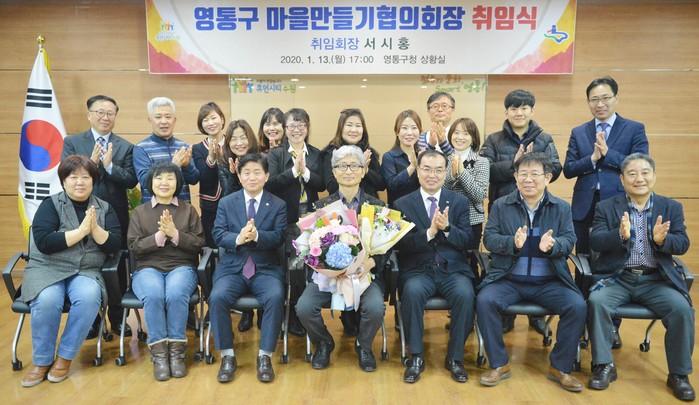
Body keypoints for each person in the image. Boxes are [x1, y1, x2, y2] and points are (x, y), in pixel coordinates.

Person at [587, 153, 694, 401]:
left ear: (654, 176)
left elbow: (682, 243)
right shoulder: (606, 207)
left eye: (645, 172)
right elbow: (595, 241)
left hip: (656, 280)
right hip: (618, 278)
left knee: (682, 309)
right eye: (632, 174)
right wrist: (619, 235)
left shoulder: (671, 207)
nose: (639, 179)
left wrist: (662, 241)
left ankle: (679, 374)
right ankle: (603, 365)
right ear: (622, 179)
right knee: (596, 301)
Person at [477, 153, 586, 393]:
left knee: (577, 305)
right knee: (485, 300)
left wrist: (553, 245)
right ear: (515, 177)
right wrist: (512, 243)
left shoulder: (561, 207)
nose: (528, 179)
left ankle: (561, 367)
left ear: (547, 178)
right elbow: (489, 238)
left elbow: (570, 239)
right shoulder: (501, 205)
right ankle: (499, 364)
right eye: (523, 174)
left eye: (535, 174)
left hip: (549, 282)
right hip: (508, 279)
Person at [19, 155, 121, 387]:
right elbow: (45, 242)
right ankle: (42, 361)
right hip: (48, 268)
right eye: (73, 177)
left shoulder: (104, 208)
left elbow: (114, 244)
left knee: (89, 297)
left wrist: (94, 229)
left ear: (93, 181)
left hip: (86, 270)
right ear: (64, 181)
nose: (79, 182)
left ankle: (65, 357)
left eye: (85, 177)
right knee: (47, 300)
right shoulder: (50, 204)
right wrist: (81, 231)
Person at [296, 145, 387, 372]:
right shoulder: (321, 207)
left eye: (354, 166)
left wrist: (371, 263)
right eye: (342, 166)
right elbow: (310, 247)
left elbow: (387, 248)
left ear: (363, 171)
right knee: (304, 307)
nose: (348, 171)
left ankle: (364, 345)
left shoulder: (377, 207)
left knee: (375, 307)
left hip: (364, 276)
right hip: (328, 278)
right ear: (334, 172)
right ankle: (324, 343)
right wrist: (324, 266)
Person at [480, 89, 562, 335]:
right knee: (508, 255)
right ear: (506, 112)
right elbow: (485, 170)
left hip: (537, 207)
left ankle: (537, 315)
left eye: (524, 107)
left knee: (536, 254)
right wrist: (514, 164)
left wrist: (534, 165)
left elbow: (556, 168)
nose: (519, 112)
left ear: (532, 111)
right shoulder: (493, 140)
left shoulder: (544, 138)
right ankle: (506, 314)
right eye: (514, 108)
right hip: (504, 207)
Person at [394, 150, 476, 384]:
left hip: (453, 270)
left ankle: (455, 358)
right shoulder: (402, 204)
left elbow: (468, 241)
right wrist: (429, 233)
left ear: (445, 172)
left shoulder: (459, 201)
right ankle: (416, 357)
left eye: (439, 170)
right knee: (412, 292)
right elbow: (401, 244)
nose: (432, 175)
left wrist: (448, 228)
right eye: (427, 169)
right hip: (418, 270)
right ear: (418, 171)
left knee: (465, 294)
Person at [61, 94, 136, 338]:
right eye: (100, 112)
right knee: (85, 264)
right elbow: (65, 174)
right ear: (89, 115)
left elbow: (131, 180)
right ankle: (91, 321)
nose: (105, 117)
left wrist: (110, 166)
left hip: (114, 216)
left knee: (117, 268)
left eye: (110, 113)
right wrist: (90, 165)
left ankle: (119, 318)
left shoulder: (125, 146)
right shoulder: (72, 142)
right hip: (79, 214)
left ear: (115, 116)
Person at [209, 153, 287, 384]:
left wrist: (258, 236)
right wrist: (239, 238)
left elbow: (280, 236)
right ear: (239, 176)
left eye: (257, 172)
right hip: (232, 267)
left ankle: (265, 356)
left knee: (275, 296)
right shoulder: (226, 202)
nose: (252, 177)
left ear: (266, 176)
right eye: (246, 173)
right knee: (217, 297)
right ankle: (227, 356)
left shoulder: (278, 204)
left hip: (265, 268)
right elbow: (218, 234)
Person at [127, 163, 205, 381]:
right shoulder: (140, 212)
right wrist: (159, 237)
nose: (164, 183)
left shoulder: (188, 210)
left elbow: (199, 243)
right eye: (159, 178)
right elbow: (133, 246)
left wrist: (175, 234)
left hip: (181, 266)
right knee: (153, 295)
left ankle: (177, 353)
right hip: (147, 268)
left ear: (177, 183)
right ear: (151, 183)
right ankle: (160, 355)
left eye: (170, 178)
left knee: (175, 293)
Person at [564, 76, 649, 255]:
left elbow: (640, 165)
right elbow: (569, 169)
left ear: (616, 98)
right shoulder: (579, 132)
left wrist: (608, 153)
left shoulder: (634, 129)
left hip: (619, 202)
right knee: (583, 256)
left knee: (616, 254)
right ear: (588, 102)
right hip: (584, 204)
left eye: (605, 98)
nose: (600, 104)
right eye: (594, 99)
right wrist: (592, 159)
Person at [266, 108, 325, 337]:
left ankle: (305, 312)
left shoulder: (316, 153)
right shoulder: (276, 154)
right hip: (286, 218)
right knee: (291, 267)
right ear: (285, 129)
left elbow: (322, 184)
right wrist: (293, 172)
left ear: (307, 128)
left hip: (310, 218)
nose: (297, 130)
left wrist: (306, 172)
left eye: (301, 125)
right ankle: (291, 314)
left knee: (309, 266)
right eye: (292, 125)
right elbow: (271, 184)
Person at [217, 119, 261, 332]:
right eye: (234, 139)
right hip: (235, 221)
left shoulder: (262, 159)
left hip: (259, 216)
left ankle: (263, 311)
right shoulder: (225, 163)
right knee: (242, 263)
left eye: (243, 137)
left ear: (250, 138)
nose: (239, 142)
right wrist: (234, 175)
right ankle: (246, 312)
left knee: (260, 262)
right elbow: (227, 196)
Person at [133, 97, 199, 203]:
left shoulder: (183, 147)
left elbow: (194, 180)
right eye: (158, 117)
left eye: (168, 117)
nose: (164, 121)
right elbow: (145, 181)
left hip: (182, 209)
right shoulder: (141, 148)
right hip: (153, 210)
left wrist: (187, 166)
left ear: (174, 120)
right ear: (150, 120)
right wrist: (174, 166)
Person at [443, 117, 489, 250]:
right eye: (456, 133)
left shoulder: (481, 162)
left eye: (465, 133)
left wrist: (462, 172)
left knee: (470, 258)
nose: (460, 137)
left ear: (473, 138)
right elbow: (441, 191)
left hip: (472, 221)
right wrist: (452, 175)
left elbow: (479, 196)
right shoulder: (444, 160)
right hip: (447, 218)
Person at [322, 108, 386, 198]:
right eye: (349, 125)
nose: (354, 130)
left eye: (358, 126)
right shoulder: (331, 153)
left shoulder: (368, 152)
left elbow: (381, 185)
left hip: (369, 205)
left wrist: (366, 170)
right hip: (340, 204)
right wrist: (357, 169)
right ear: (341, 128)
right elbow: (331, 187)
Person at [192, 102, 226, 248]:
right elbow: (203, 178)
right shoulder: (198, 149)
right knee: (212, 244)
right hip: (210, 205)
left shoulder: (233, 143)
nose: (210, 123)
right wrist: (211, 158)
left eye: (213, 118)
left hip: (233, 201)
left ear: (222, 119)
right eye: (205, 120)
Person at [381, 110, 422, 207]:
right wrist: (412, 167)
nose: (409, 133)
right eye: (404, 128)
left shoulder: (423, 156)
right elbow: (391, 185)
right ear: (397, 132)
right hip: (398, 211)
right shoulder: (389, 157)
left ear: (420, 131)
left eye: (414, 128)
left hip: (420, 210)